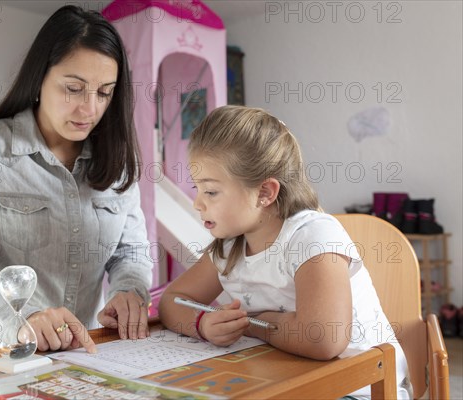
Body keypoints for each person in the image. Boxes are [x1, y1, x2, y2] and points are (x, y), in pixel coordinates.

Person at [0, 5, 153, 357]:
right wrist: (17, 322)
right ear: (39, 78)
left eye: (104, 92)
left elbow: (131, 252)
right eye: (73, 88)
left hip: (79, 355)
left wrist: (128, 289)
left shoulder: (119, 162)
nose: (89, 109)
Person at [158, 105, 412, 398]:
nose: (197, 204)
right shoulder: (230, 247)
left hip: (362, 390)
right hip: (290, 379)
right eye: (197, 189)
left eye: (211, 191)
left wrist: (256, 325)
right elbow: (172, 301)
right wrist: (202, 323)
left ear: (265, 193)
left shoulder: (313, 236)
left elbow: (324, 338)